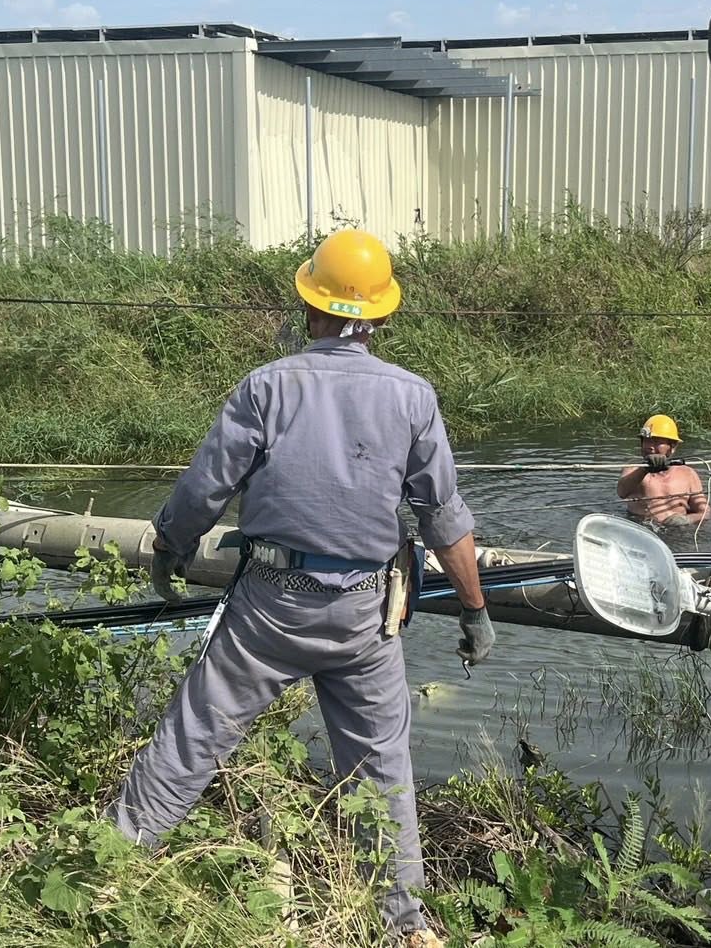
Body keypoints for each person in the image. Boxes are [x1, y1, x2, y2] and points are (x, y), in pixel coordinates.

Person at [106, 228, 493, 947]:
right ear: (378, 317)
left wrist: (171, 543)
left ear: (308, 304)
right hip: (364, 617)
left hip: (269, 606)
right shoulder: (412, 397)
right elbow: (444, 518)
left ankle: (107, 870)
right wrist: (474, 609)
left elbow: (205, 487)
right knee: (382, 769)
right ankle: (403, 926)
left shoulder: (268, 384)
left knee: (193, 736)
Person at [616, 414, 711, 527]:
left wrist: (687, 519)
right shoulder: (634, 468)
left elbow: (706, 512)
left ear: (673, 446)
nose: (650, 447)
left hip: (678, 533)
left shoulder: (688, 474)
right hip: (644, 530)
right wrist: (644, 469)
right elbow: (621, 492)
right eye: (647, 441)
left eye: (657, 442)